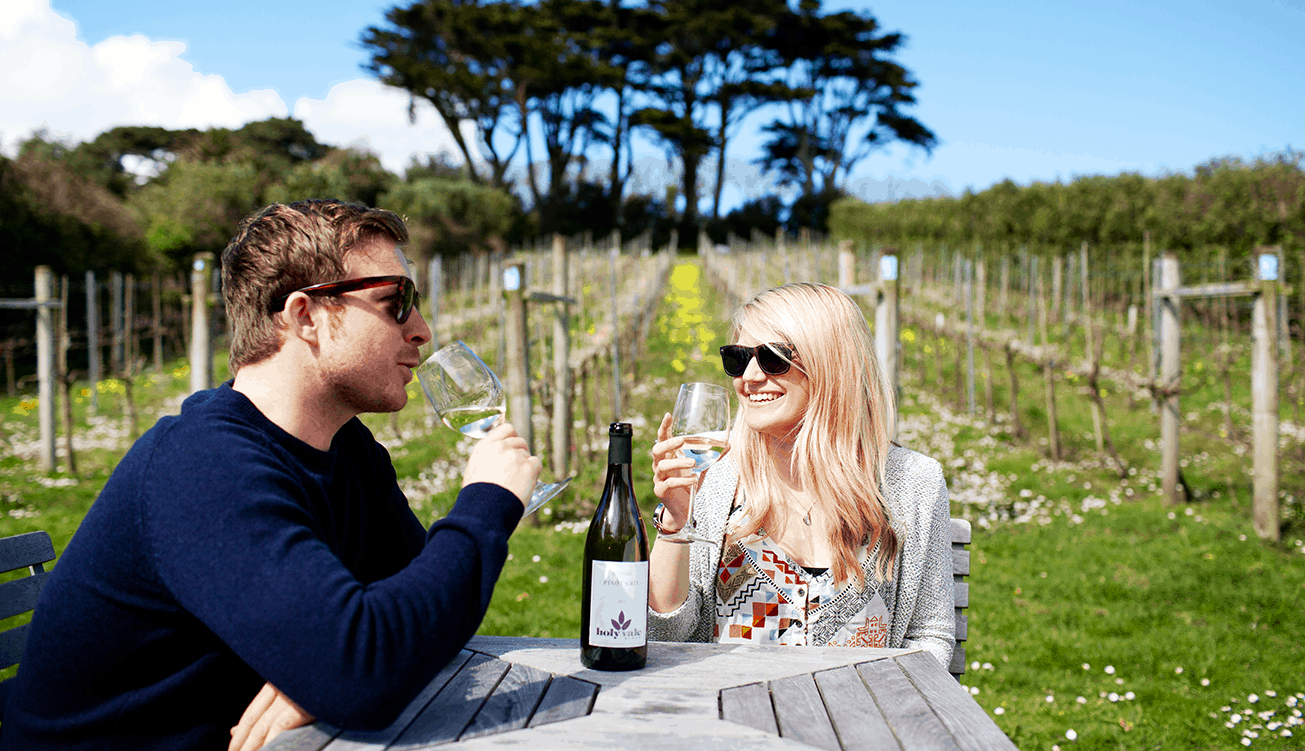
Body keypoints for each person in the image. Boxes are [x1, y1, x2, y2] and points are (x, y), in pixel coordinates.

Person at [0, 200, 542, 751]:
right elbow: (367, 672)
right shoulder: (202, 466)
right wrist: (487, 502)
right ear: (305, 315)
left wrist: (314, 675)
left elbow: (422, 617)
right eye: (394, 302)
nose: (421, 330)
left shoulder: (349, 449)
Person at [647, 282, 954, 665]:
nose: (750, 377)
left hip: (858, 717)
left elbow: (929, 635)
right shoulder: (720, 481)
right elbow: (666, 637)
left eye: (773, 358)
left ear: (831, 365)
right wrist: (677, 522)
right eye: (738, 358)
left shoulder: (912, 484)